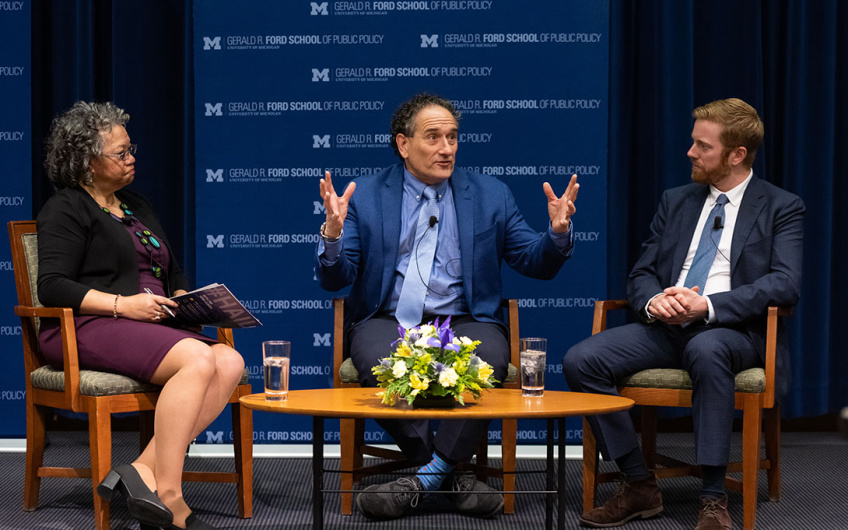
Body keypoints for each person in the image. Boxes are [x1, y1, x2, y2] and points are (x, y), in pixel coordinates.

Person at [316, 92, 580, 520]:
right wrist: (331, 234)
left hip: (465, 318)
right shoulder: (364, 194)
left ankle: (424, 478)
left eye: (453, 137)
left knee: (491, 358)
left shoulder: (491, 193)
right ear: (403, 144)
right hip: (390, 318)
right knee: (380, 362)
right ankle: (451, 475)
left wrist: (556, 234)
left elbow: (534, 262)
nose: (447, 148)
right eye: (434, 137)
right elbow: (336, 277)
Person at [563, 98, 804, 530]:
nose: (690, 153)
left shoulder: (780, 206)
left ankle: (713, 500)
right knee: (582, 360)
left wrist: (708, 305)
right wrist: (654, 301)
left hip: (733, 331)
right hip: (666, 327)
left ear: (736, 155)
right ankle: (638, 483)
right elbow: (642, 272)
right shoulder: (676, 201)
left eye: (702, 146)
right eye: (693, 143)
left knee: (708, 348)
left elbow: (784, 283)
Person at [37, 101, 245, 530]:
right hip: (86, 326)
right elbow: (52, 285)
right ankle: (168, 495)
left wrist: (187, 296)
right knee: (199, 359)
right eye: (121, 153)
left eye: (132, 150)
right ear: (87, 161)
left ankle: (139, 471)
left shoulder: (136, 205)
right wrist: (122, 304)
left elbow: (172, 269)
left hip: (148, 325)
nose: (132, 159)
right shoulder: (66, 209)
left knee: (230, 360)